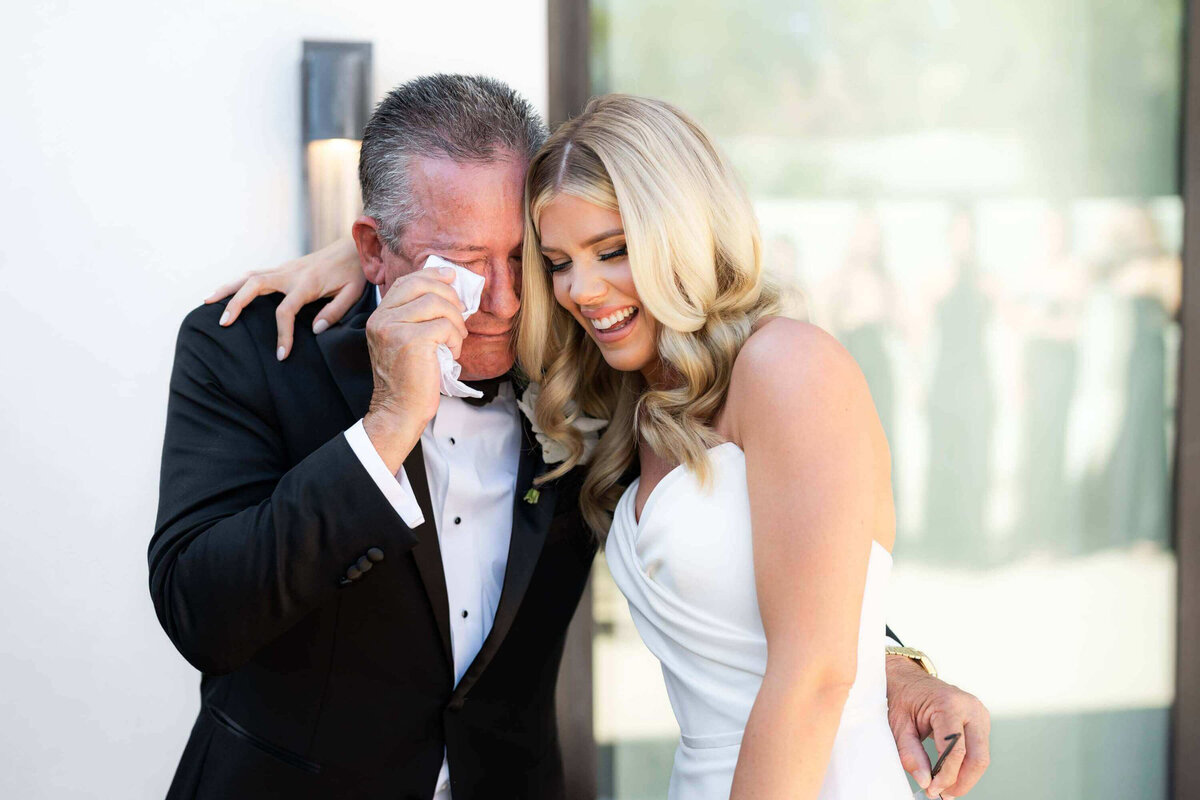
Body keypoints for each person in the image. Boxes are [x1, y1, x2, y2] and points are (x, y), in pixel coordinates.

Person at [188, 75, 990, 799]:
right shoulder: (605, 394)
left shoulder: (729, 369)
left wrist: (894, 665)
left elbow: (812, 639)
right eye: (557, 260)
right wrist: (383, 369)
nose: (539, 294)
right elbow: (204, 613)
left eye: (604, 253)